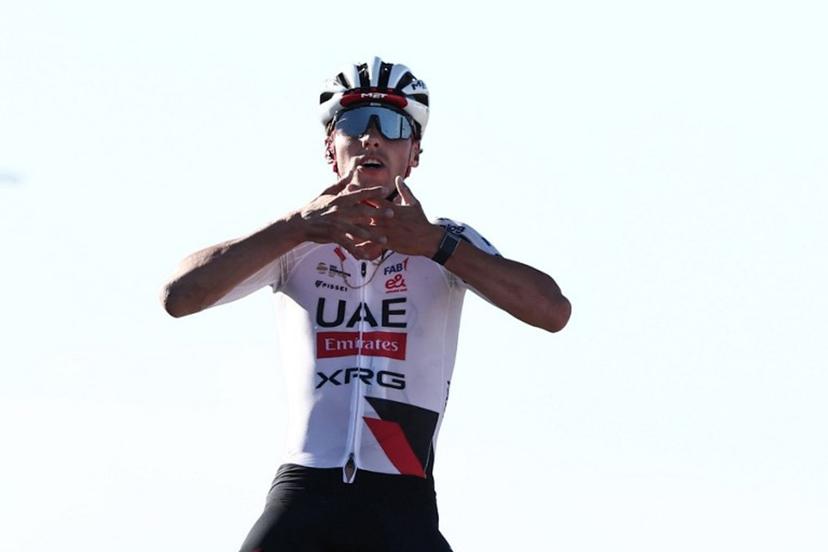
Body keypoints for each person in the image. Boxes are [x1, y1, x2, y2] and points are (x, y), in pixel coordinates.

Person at [161, 56, 571, 552]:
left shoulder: (448, 243)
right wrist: (297, 225)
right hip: (306, 490)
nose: (372, 139)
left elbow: (553, 312)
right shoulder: (293, 245)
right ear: (331, 149)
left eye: (393, 126)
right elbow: (179, 297)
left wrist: (436, 246)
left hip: (401, 496)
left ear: (413, 153)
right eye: (354, 123)